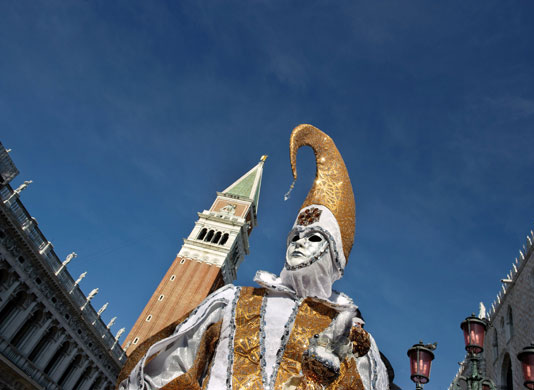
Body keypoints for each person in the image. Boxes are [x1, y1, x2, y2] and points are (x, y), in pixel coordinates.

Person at [118, 124, 394, 390]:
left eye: (314, 238)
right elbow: (169, 368)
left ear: (334, 257)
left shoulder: (349, 335)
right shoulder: (231, 300)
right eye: (295, 236)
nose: (299, 244)